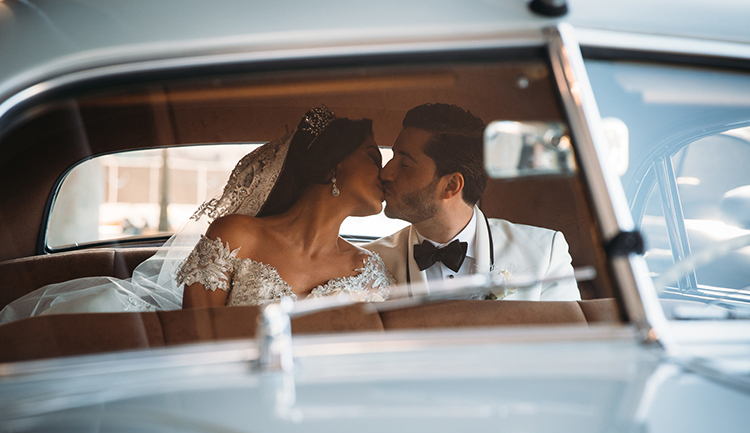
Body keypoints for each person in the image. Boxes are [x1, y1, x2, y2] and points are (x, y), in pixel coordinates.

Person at [0, 106, 393, 324]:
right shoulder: (237, 235)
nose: (385, 172)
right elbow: (195, 337)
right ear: (332, 167)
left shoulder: (370, 270)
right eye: (373, 158)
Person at [364, 103, 580, 301]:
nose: (386, 173)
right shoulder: (370, 262)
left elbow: (569, 342)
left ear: (451, 186)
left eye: (405, 165)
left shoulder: (545, 253)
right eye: (392, 158)